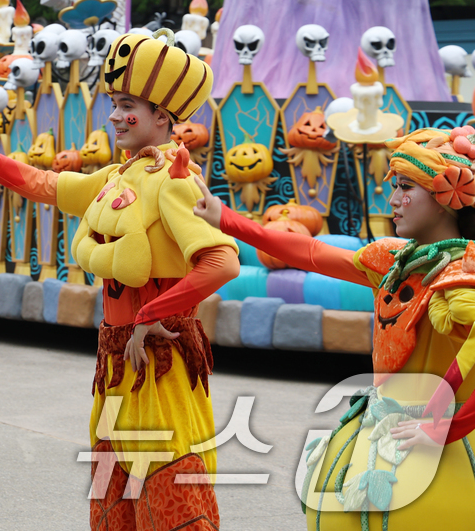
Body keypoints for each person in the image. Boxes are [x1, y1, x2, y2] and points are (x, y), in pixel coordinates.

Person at [0, 30, 239, 528]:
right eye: (114, 103)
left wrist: (150, 316)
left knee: (169, 494)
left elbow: (222, 262)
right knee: (114, 500)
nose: (113, 116)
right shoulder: (116, 177)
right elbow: (38, 182)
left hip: (159, 363)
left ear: (163, 117)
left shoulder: (174, 182)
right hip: (116, 363)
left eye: (127, 105)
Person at [194, 126, 475, 529]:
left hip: (441, 445)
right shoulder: (393, 260)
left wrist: (446, 425)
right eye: (394, 186)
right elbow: (310, 252)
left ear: (447, 197)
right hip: (386, 425)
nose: (393, 200)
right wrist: (226, 219)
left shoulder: (463, 274)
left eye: (406, 187)